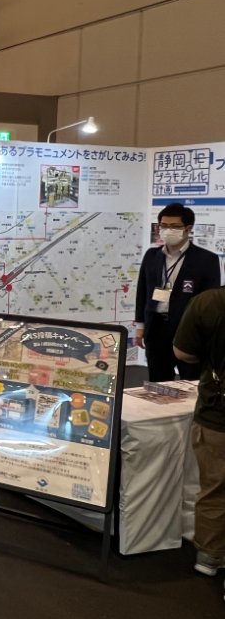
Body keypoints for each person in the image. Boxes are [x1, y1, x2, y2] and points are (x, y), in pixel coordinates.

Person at [173, 287, 225, 585]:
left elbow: (183, 352)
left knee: (214, 486)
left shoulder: (208, 302)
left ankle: (210, 555)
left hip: (217, 412)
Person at [135, 203, 221, 382]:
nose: (168, 230)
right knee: (158, 382)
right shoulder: (152, 255)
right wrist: (140, 326)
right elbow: (142, 291)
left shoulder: (206, 259)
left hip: (189, 330)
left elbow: (209, 301)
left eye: (174, 226)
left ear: (188, 228)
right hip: (156, 327)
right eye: (164, 226)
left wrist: (207, 336)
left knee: (191, 381)